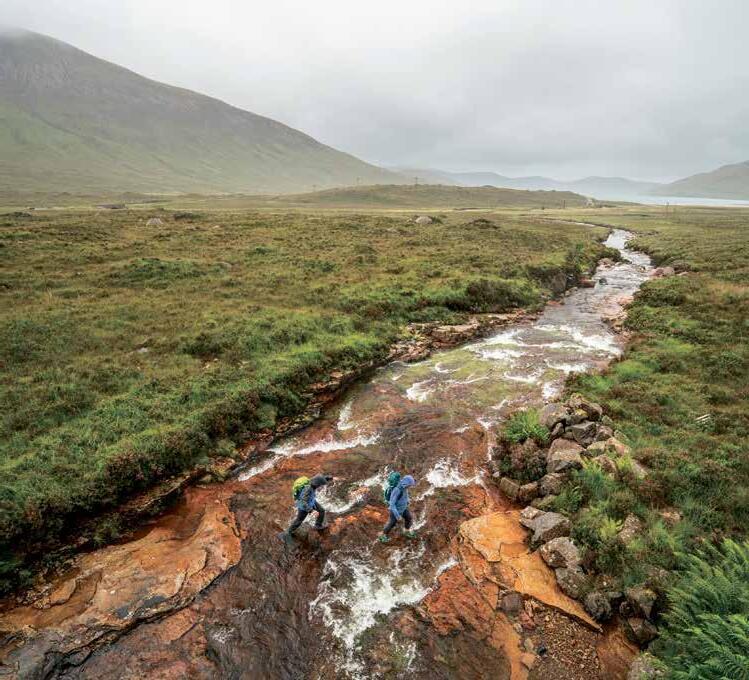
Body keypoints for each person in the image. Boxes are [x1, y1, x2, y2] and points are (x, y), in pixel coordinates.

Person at [379, 475, 417, 543]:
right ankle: (382, 535)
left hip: (403, 508)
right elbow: (392, 504)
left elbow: (405, 495)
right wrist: (397, 516)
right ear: (406, 483)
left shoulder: (405, 488)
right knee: (392, 523)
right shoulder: (397, 490)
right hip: (395, 511)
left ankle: (406, 531)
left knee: (409, 518)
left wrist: (407, 501)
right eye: (410, 485)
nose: (410, 486)